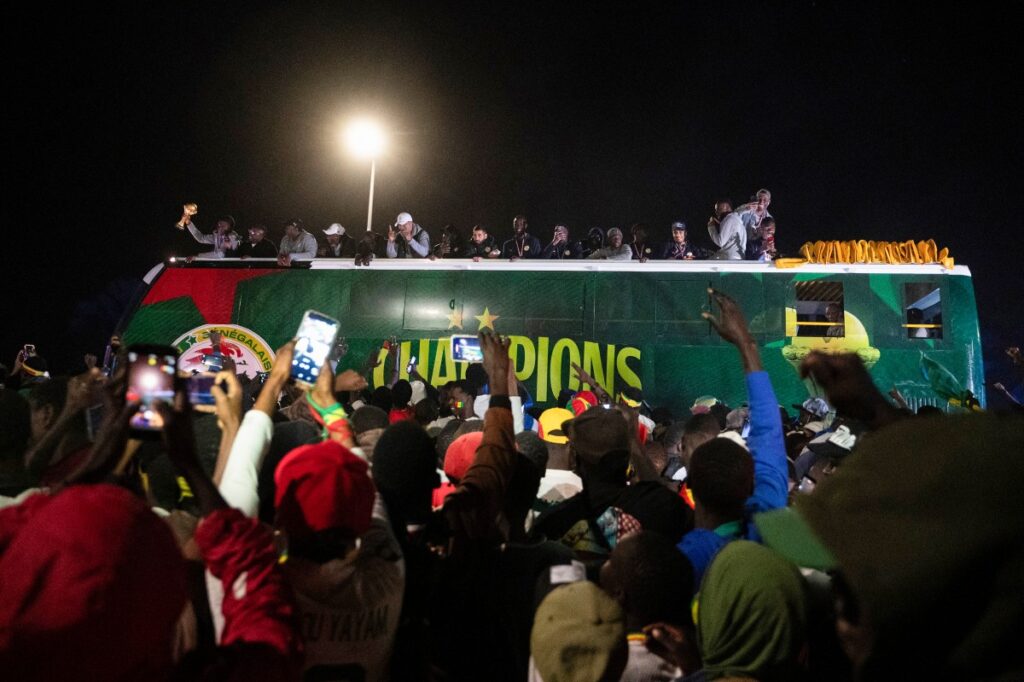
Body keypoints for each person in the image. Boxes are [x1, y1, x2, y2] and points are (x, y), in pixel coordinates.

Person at [675, 289, 788, 587]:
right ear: (751, 484)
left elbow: (768, 432)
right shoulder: (769, 517)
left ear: (690, 485)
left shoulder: (687, 560)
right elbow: (768, 429)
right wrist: (745, 343)